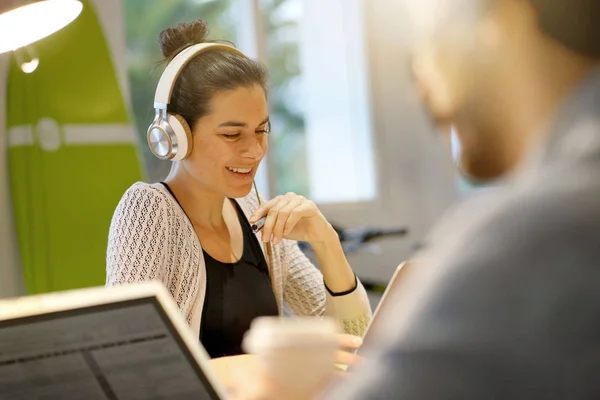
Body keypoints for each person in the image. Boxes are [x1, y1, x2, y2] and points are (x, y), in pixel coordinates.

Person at [233, 0, 600, 398]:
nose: (419, 88)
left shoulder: (535, 233)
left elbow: (353, 341)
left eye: (427, 42)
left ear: (503, 22)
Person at [105, 19, 371, 384]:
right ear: (176, 136)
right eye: (233, 134)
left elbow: (351, 348)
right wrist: (249, 366)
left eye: (262, 130)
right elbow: (125, 365)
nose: (255, 150)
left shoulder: (255, 214)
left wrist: (325, 241)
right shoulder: (148, 211)